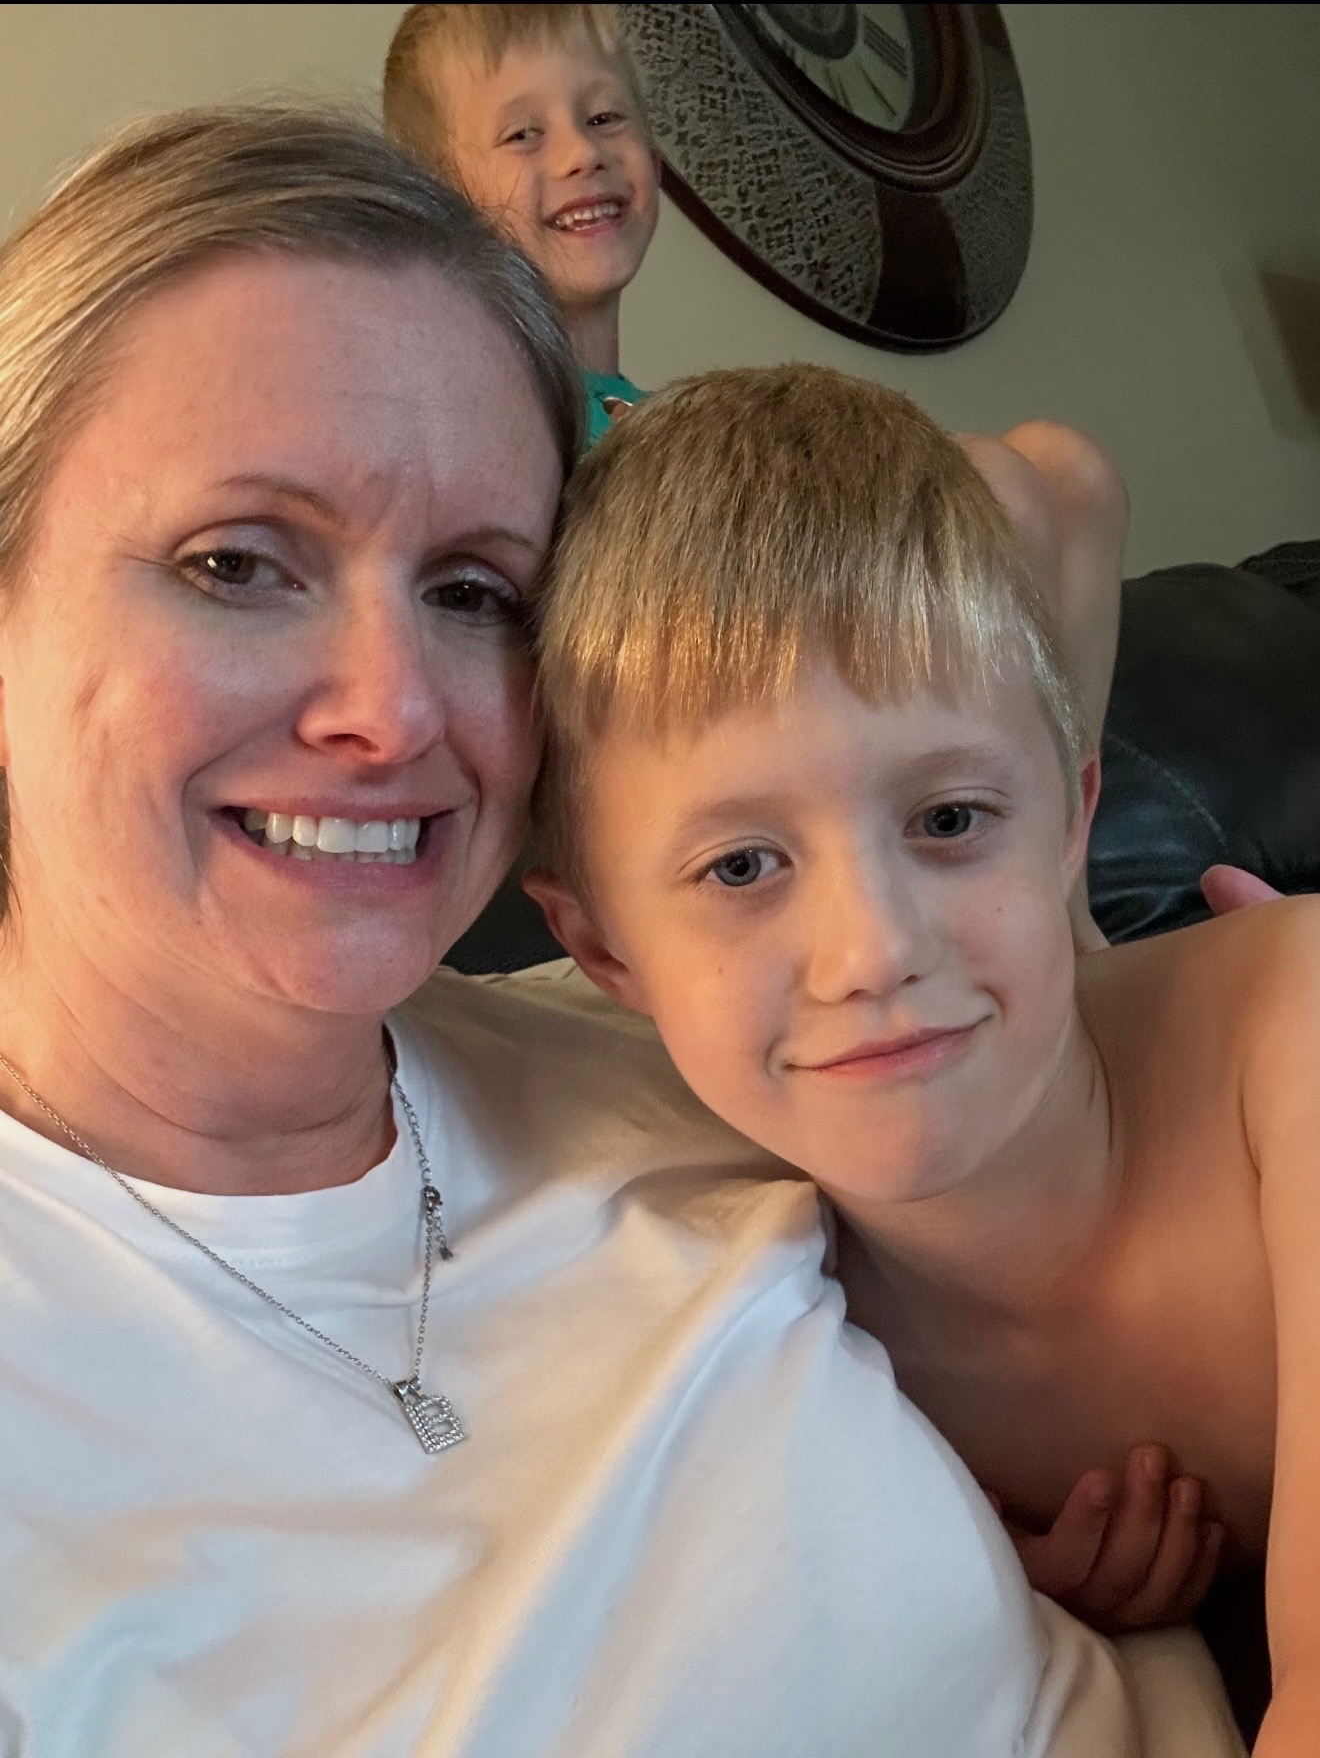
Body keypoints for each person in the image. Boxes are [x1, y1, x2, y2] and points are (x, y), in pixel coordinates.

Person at [0, 102, 1233, 1758]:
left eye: (474, 591)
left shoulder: (692, 1033)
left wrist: (1206, 1015)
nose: (392, 708)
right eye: (237, 563)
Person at [524, 364, 1316, 1756]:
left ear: (1071, 824)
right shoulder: (772, 1323)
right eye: (743, 865)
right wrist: (999, 1581)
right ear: (605, 953)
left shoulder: (1288, 1042)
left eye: (949, 819)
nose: (872, 949)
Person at [381, 3, 1131, 910]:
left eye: (607, 116)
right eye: (523, 134)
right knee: (1004, 483)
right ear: (444, 197)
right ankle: (1027, 898)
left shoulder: (645, 417)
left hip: (768, 646)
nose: (582, 153)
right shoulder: (489, 419)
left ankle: (1062, 891)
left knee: (1071, 470)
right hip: (672, 716)